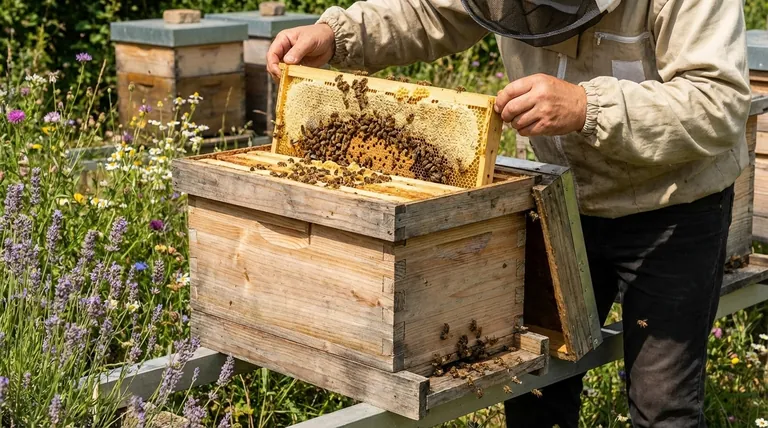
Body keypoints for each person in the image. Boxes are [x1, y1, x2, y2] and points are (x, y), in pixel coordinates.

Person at [266, 1, 751, 426]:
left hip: (673, 208)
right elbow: (430, 10)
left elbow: (720, 101)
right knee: (535, 390)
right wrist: (339, 35)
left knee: (663, 404)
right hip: (559, 199)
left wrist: (588, 106)